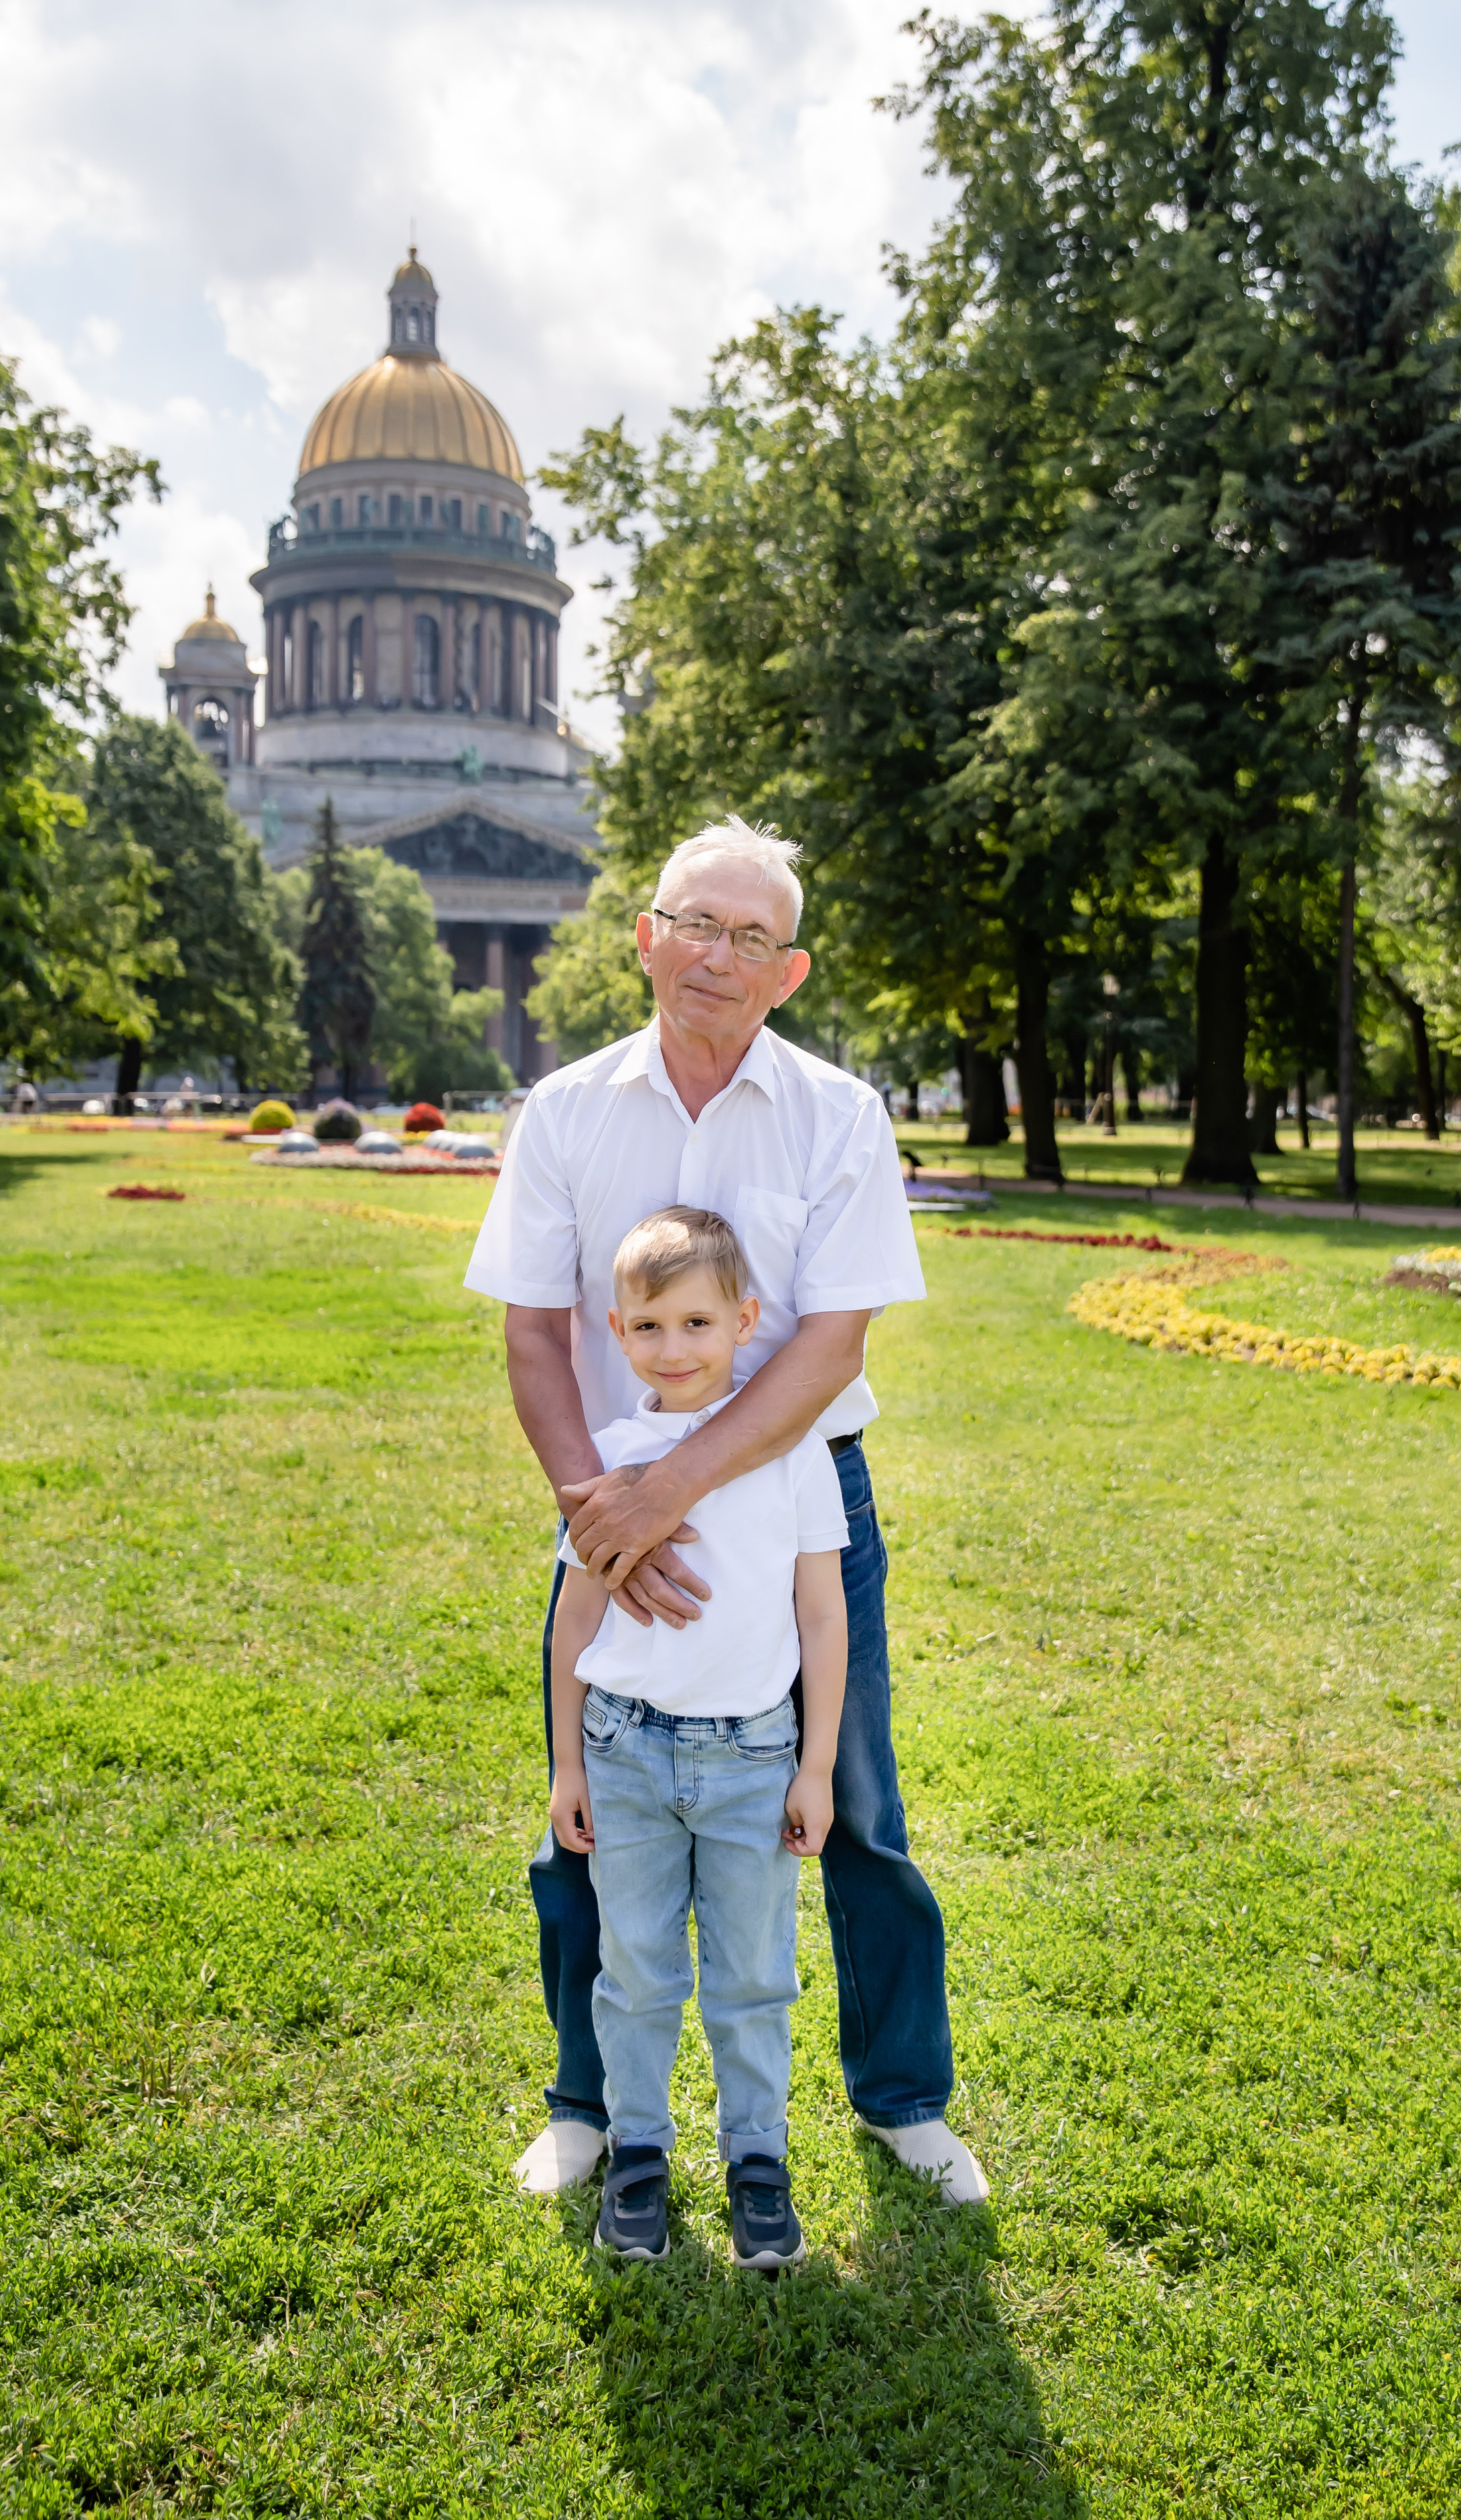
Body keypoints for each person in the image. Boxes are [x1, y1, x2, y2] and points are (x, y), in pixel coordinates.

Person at [465, 813, 988, 2205]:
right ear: (644, 938)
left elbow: (830, 1346)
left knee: (856, 1804)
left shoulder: (837, 1114)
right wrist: (601, 1514)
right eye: (695, 922)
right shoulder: (567, 1108)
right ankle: (583, 2106)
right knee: (586, 1805)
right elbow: (531, 1334)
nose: (717, 954)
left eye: (750, 936)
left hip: (803, 1497)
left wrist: (669, 1495)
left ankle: (899, 2100)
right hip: (604, 1497)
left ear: (789, 970)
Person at [550, 1205, 848, 2265]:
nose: (671, 1350)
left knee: (754, 1974)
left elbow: (823, 1613)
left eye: (695, 1324)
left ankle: (757, 2164)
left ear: (745, 1321)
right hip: (626, 1753)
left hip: (755, 1758)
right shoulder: (612, 1463)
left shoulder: (794, 1452)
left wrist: (816, 1767)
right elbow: (574, 1620)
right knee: (634, 1970)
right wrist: (566, 1766)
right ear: (617, 1332)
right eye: (646, 1328)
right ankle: (638, 2157)